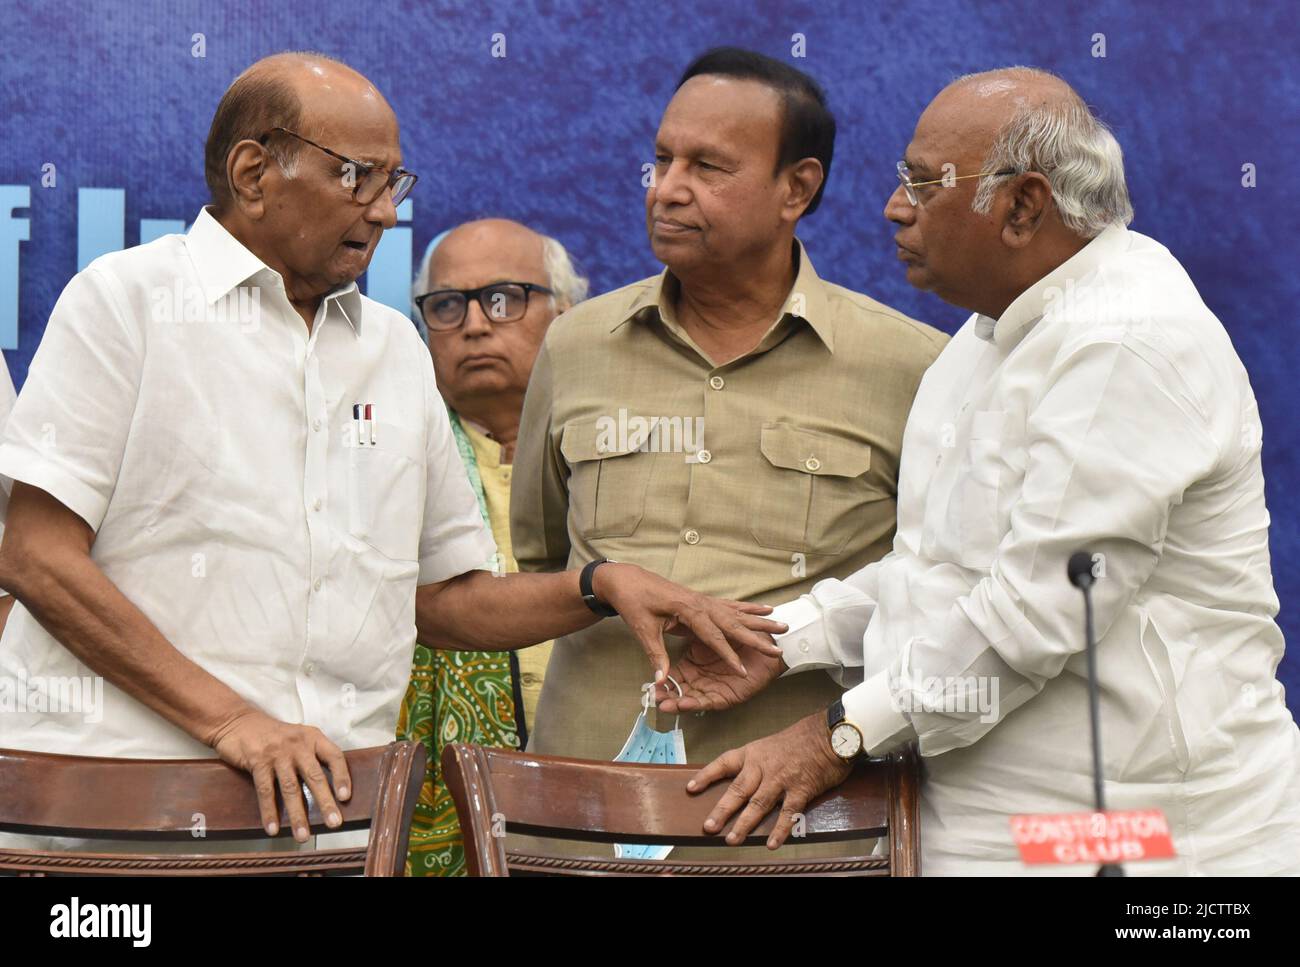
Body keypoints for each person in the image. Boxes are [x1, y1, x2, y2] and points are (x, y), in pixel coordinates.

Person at [0, 51, 785, 855]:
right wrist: (234, 720)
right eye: (356, 179)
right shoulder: (124, 302)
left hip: (337, 826)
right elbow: (35, 555)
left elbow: (442, 598)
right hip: (117, 817)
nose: (381, 212)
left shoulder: (395, 349)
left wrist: (600, 586)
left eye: (393, 185)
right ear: (253, 171)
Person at [666, 67, 1300, 875]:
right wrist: (782, 640)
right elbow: (938, 575)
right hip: (989, 827)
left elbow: (1033, 616)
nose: (895, 208)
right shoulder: (989, 333)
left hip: (1141, 844)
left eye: (923, 184)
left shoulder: (1125, 340)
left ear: (1024, 205)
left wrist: (835, 736)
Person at [510, 47, 946, 860]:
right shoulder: (573, 347)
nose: (668, 186)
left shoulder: (914, 369)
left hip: (800, 833)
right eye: (663, 158)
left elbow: (939, 596)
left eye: (709, 166)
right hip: (579, 825)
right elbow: (540, 560)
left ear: (798, 188)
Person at [399, 218, 588, 874]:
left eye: (504, 298)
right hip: (433, 805)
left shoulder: (618, 448)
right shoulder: (385, 455)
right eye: (448, 305)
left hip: (604, 786)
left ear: (566, 315)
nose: (476, 324)